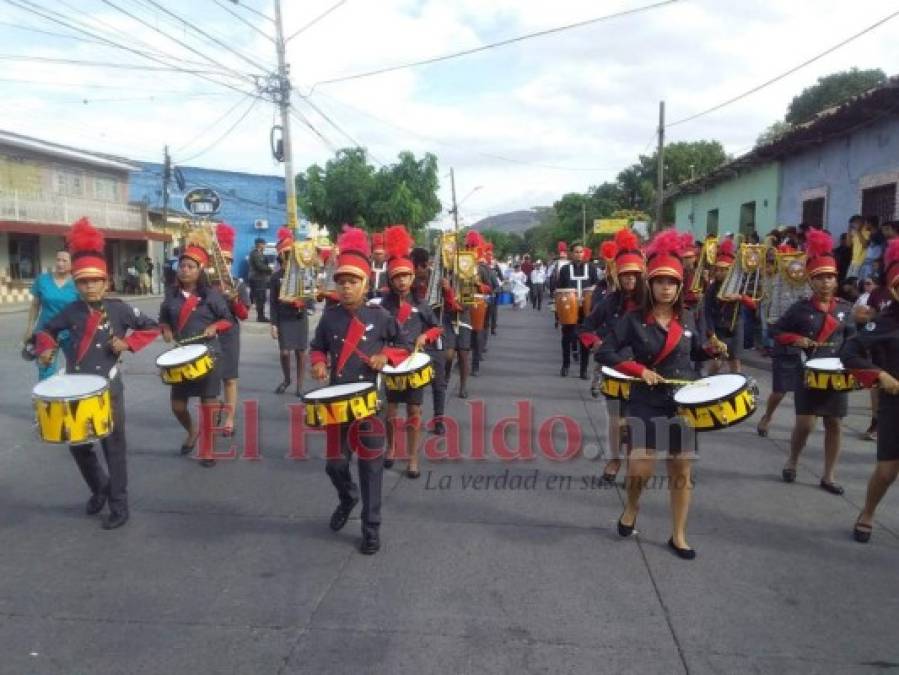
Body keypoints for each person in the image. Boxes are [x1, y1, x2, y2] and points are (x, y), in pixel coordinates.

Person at [597, 229, 724, 560]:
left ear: (680, 286)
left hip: (683, 400)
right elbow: (605, 352)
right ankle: (632, 506)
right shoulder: (633, 320)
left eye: (671, 282)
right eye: (659, 282)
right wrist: (638, 370)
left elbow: (694, 354)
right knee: (640, 469)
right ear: (649, 285)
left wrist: (711, 351)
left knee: (681, 469)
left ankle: (678, 534)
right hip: (646, 398)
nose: (665, 287)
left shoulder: (690, 317)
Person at [33, 218, 159, 529]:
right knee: (78, 444)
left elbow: (152, 326)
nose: (90, 286)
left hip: (109, 387)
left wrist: (127, 343)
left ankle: (119, 503)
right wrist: (45, 348)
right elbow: (46, 331)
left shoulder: (119, 309)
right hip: (76, 387)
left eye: (95, 281)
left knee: (112, 445)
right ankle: (99, 488)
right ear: (77, 284)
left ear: (106, 282)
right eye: (84, 282)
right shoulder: (70, 312)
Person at [308, 226, 411, 555]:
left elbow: (405, 346)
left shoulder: (380, 317)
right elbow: (317, 348)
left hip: (370, 403)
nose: (346, 287)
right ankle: (347, 496)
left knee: (371, 468)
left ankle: (371, 528)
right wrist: (319, 362)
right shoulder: (330, 318)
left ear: (366, 284)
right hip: (338, 402)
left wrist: (387, 355)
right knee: (335, 465)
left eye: (353, 282)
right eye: (342, 282)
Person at [772, 230, 855, 494]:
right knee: (805, 424)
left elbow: (855, 341)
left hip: (838, 376)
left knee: (834, 424)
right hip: (807, 372)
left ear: (836, 279)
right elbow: (776, 332)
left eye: (830, 277)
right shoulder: (800, 309)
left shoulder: (845, 309)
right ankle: (793, 459)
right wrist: (795, 339)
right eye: (819, 278)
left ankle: (829, 475)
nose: (825, 283)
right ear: (810, 281)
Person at [840, 237, 899, 543]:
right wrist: (880, 375)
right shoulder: (886, 322)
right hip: (895, 403)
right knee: (888, 472)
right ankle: (868, 511)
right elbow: (850, 352)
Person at [158, 230, 234, 467]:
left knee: (207, 403)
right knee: (177, 405)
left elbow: (227, 319)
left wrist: (214, 326)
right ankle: (192, 430)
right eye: (182, 266)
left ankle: (208, 450)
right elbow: (163, 319)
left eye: (190, 267)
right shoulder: (170, 295)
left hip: (208, 355)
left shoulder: (210, 295)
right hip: (182, 357)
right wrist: (167, 330)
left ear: (200, 270)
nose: (185, 270)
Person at [581, 229, 645, 482]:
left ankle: (633, 463)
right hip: (614, 367)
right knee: (616, 418)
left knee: (636, 420)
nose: (629, 279)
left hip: (643, 368)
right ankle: (614, 459)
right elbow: (585, 328)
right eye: (625, 274)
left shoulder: (650, 304)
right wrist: (596, 344)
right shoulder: (609, 301)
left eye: (634, 275)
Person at [379, 225, 442, 477]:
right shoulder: (381, 305)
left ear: (412, 277)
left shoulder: (421, 304)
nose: (402, 280)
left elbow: (437, 328)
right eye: (397, 277)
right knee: (391, 411)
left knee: (414, 411)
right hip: (393, 364)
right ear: (391, 279)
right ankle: (391, 447)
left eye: (406, 275)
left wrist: (426, 335)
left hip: (415, 365)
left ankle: (413, 457)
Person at [211, 223, 251, 436]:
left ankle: (229, 419)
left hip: (229, 335)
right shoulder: (206, 286)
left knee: (229, 378)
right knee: (210, 379)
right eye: (220, 262)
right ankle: (216, 405)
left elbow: (244, 315)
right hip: (209, 335)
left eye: (227, 262)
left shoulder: (238, 284)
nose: (223, 266)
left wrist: (235, 300)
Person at [23, 249, 78, 380]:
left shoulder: (77, 283)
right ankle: (46, 400)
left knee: (76, 368)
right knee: (45, 370)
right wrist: (30, 328)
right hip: (46, 332)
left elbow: (84, 310)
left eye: (64, 260)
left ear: (72, 264)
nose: (60, 263)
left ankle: (71, 399)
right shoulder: (42, 280)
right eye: (58, 260)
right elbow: (35, 306)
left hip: (70, 333)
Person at [411, 246, 449, 435]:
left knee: (438, 383)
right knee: (413, 382)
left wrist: (447, 290)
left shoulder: (439, 280)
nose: (416, 273)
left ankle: (439, 419)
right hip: (413, 338)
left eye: (417, 268)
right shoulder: (408, 283)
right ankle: (414, 415)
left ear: (424, 266)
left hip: (434, 337)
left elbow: (451, 305)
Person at [269, 227, 309, 397]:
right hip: (284, 318)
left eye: (289, 254)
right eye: (284, 254)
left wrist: (297, 301)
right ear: (280, 256)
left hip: (299, 317)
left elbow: (310, 297)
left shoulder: (304, 273)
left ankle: (299, 386)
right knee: (285, 352)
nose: (287, 257)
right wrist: (273, 324)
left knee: (301, 352)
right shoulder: (275, 277)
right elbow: (272, 303)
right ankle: (287, 379)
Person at [703, 238, 752, 374]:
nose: (719, 273)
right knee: (717, 362)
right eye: (717, 270)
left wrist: (740, 297)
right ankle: (708, 384)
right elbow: (707, 312)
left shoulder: (738, 286)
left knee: (735, 362)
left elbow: (753, 305)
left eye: (723, 270)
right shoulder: (712, 289)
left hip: (735, 327)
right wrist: (711, 332)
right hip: (719, 329)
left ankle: (736, 389)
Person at [557, 241, 600, 379]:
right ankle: (565, 365)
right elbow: (559, 290)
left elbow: (596, 288)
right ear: (571, 254)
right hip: (570, 308)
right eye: (576, 252)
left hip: (587, 309)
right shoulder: (564, 270)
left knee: (585, 338)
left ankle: (583, 370)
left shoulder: (592, 268)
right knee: (567, 337)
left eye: (581, 252)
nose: (579, 254)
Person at [248, 237, 271, 322]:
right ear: (260, 244)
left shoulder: (260, 253)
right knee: (260, 298)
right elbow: (259, 266)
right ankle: (260, 317)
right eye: (264, 244)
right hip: (257, 278)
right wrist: (270, 269)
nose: (265, 246)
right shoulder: (255, 254)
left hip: (260, 278)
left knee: (261, 298)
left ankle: (261, 316)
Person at [369, 232, 388, 299]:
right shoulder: (368, 265)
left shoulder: (389, 266)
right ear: (373, 254)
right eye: (376, 254)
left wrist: (386, 289)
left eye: (380, 254)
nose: (378, 256)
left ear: (384, 254)